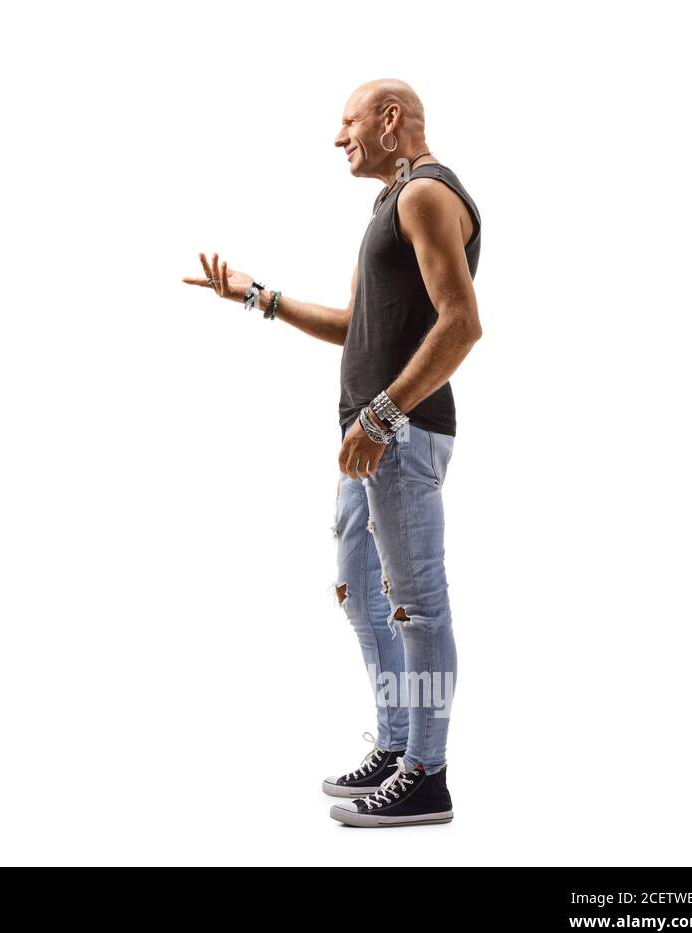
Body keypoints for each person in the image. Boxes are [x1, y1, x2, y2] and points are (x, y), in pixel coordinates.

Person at [183, 78, 483, 827]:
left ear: (390, 120)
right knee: (359, 585)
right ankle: (395, 743)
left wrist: (383, 414)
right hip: (368, 438)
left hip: (399, 431)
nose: (337, 137)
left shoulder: (427, 196)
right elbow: (356, 322)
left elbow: (461, 324)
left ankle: (427, 773)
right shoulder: (389, 204)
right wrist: (260, 298)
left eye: (347, 122)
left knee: (418, 606)